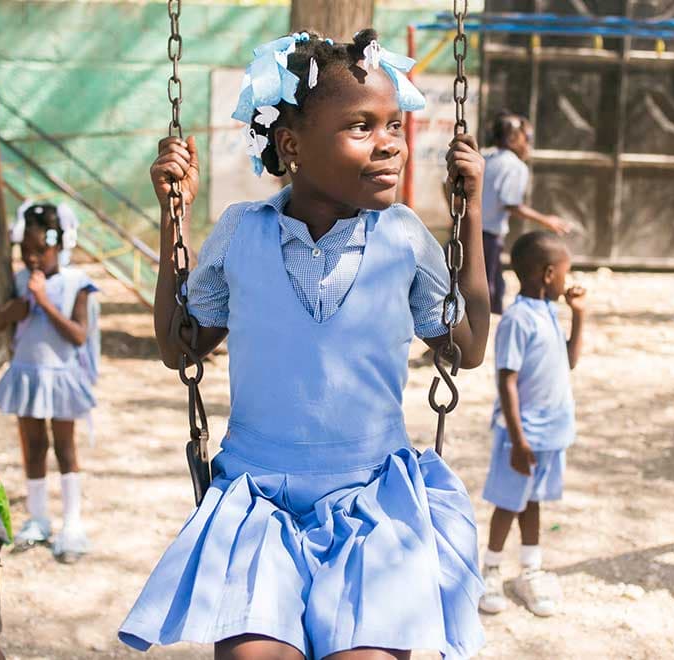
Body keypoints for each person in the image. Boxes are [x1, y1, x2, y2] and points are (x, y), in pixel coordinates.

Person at [119, 30, 491, 659]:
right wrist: (172, 219)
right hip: (258, 501)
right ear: (291, 145)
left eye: (394, 127)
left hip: (373, 502)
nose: (390, 146)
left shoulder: (402, 236)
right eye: (361, 127)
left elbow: (468, 345)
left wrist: (470, 213)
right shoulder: (242, 232)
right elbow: (182, 347)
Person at [478, 231, 584, 617]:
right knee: (508, 502)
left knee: (533, 501)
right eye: (565, 273)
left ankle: (530, 569)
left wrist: (579, 315)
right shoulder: (518, 319)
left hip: (550, 431)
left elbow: (569, 362)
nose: (567, 281)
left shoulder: (549, 313)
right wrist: (518, 441)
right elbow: (506, 380)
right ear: (548, 273)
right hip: (521, 434)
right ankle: (489, 569)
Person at [0, 201, 99, 563]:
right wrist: (11, 312)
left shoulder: (75, 284)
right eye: (25, 251)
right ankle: (37, 517)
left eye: (41, 251)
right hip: (27, 374)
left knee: (64, 448)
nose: (32, 259)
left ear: (60, 245)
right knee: (33, 446)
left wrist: (43, 303)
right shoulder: (17, 281)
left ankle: (72, 522)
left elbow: (78, 335)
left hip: (61, 377)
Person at [480, 111, 568, 314]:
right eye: (527, 138)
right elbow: (511, 204)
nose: (529, 144)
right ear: (514, 139)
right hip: (489, 234)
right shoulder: (514, 166)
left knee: (493, 282)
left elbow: (445, 183)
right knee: (489, 288)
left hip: (471, 229)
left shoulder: (484, 157)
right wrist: (546, 220)